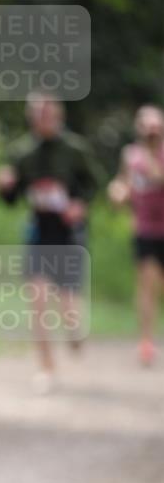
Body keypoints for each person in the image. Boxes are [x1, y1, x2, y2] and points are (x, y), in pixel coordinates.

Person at [0, 93, 100, 394]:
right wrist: (4, 186)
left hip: (69, 232)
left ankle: (75, 331)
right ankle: (46, 368)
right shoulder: (22, 152)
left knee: (68, 305)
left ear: (58, 116)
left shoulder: (76, 149)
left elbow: (94, 185)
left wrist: (81, 205)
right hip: (39, 230)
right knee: (38, 300)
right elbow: (12, 198)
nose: (43, 120)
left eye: (48, 114)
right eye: (37, 115)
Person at [108, 104, 164, 366]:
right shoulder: (130, 155)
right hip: (145, 229)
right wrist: (117, 191)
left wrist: (151, 155)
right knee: (147, 285)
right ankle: (146, 342)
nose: (151, 130)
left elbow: (157, 177)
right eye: (146, 125)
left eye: (155, 125)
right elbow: (125, 183)